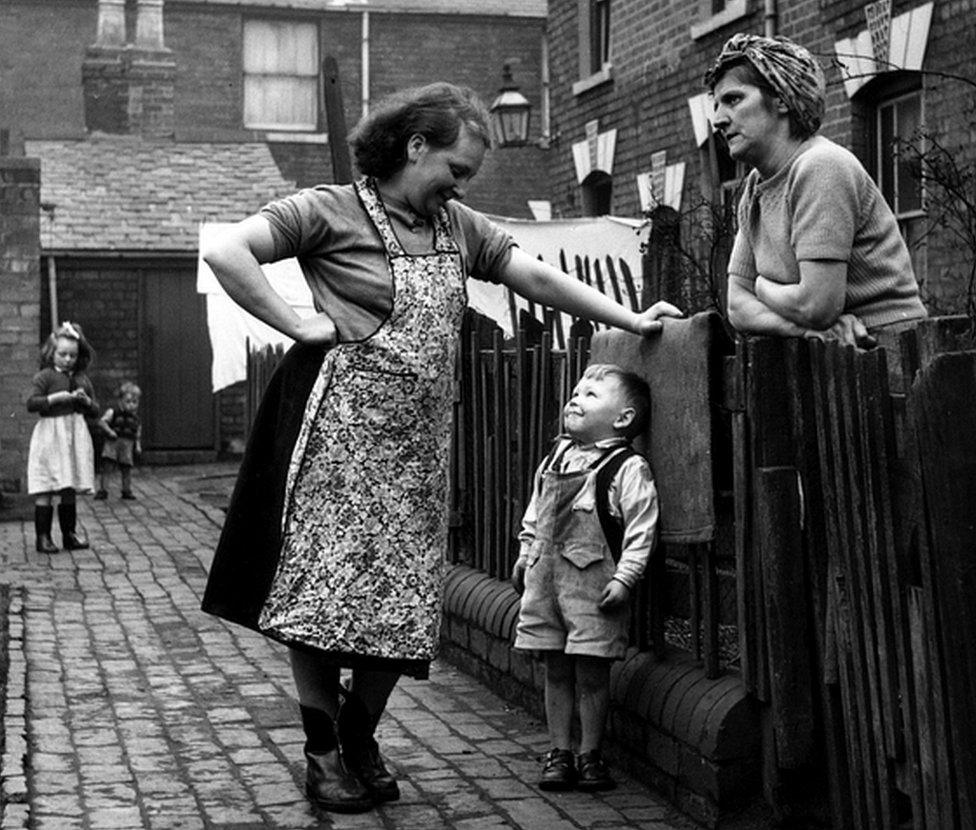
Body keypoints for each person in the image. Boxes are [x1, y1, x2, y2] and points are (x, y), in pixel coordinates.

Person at [199, 81, 682, 814]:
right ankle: (324, 752)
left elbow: (539, 276)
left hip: (419, 453)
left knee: (405, 602)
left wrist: (631, 316)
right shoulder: (328, 210)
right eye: (454, 169)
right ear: (414, 146)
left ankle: (360, 731)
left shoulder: (459, 227)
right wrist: (298, 324)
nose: (459, 187)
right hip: (339, 441)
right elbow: (225, 249)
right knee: (322, 601)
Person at [705, 33, 927, 348]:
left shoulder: (821, 166)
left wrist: (761, 287)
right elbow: (737, 306)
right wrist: (804, 330)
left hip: (888, 350)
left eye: (733, 99)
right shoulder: (755, 186)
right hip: (832, 350)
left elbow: (817, 306)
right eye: (716, 105)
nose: (718, 120)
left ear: (781, 99)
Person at [512, 363, 658, 792]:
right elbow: (536, 513)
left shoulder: (627, 468)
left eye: (591, 395)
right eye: (576, 392)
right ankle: (559, 750)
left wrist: (626, 577)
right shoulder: (555, 458)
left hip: (593, 588)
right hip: (545, 583)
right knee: (555, 669)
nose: (576, 399)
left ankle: (589, 752)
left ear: (624, 419)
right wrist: (526, 553)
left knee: (592, 672)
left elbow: (642, 526)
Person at [26, 321, 98, 553]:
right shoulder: (45, 377)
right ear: (52, 353)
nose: (67, 359)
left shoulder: (82, 379)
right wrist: (54, 399)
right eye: (63, 354)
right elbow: (31, 403)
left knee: (69, 486)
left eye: (72, 356)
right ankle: (43, 537)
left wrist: (86, 402)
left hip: (73, 437)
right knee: (46, 485)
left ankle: (69, 534)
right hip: (50, 436)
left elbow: (95, 409)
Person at [95, 381, 142, 500]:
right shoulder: (113, 413)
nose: (131, 405)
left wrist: (137, 446)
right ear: (120, 401)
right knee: (107, 467)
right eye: (128, 402)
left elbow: (137, 434)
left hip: (127, 445)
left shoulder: (136, 419)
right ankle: (103, 490)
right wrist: (109, 431)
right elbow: (102, 422)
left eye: (134, 402)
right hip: (113, 443)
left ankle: (126, 490)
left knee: (126, 468)